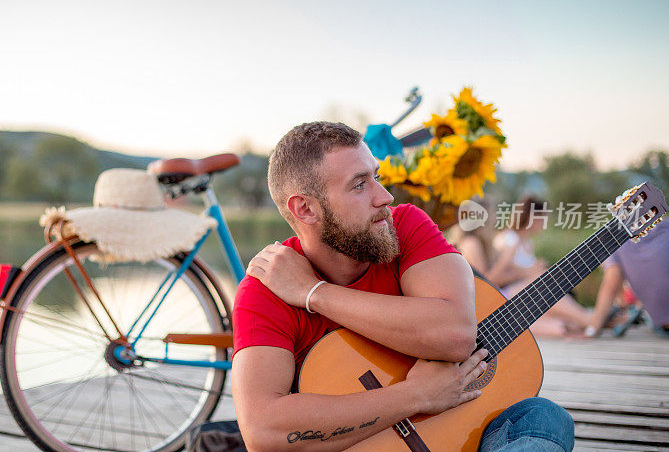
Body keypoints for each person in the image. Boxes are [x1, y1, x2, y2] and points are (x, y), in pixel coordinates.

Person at [230, 122, 574, 452]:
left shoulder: (404, 225)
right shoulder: (265, 289)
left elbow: (456, 334)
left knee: (542, 417)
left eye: (376, 177)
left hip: (459, 431)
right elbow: (262, 431)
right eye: (359, 184)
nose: (385, 196)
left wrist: (315, 293)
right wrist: (415, 396)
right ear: (305, 209)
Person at [492, 197, 593, 337]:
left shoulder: (527, 243)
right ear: (532, 217)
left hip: (528, 297)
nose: (544, 224)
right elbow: (497, 278)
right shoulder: (508, 239)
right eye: (543, 218)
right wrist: (531, 271)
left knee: (564, 321)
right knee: (545, 283)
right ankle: (590, 319)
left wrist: (535, 270)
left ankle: (589, 319)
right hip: (511, 298)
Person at [587, 216, 669, 337]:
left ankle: (636, 309)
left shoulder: (614, 241)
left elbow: (611, 284)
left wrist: (593, 328)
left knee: (643, 312)